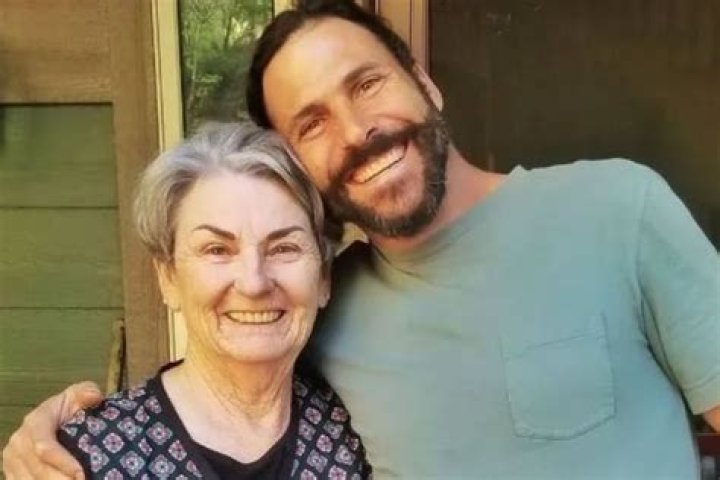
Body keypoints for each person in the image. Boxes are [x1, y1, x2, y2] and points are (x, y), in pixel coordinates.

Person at [4, 0, 720, 478]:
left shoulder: (616, 208)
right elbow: (220, 385)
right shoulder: (321, 303)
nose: (355, 132)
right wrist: (55, 435)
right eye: (311, 124)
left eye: (367, 84)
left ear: (424, 83)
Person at [44, 122, 370, 479]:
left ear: (323, 277)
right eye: (217, 250)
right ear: (168, 278)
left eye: (284, 248)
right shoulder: (83, 457)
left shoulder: (359, 433)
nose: (254, 282)